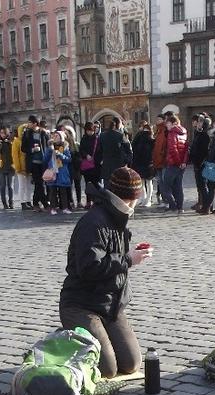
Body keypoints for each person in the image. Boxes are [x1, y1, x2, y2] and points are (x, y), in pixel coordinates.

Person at [59, 168, 150, 379]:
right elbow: (89, 267)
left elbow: (113, 258)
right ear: (129, 199)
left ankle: (97, 336)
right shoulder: (93, 222)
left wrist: (130, 255)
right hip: (81, 304)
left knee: (131, 363)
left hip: (110, 304)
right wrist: (128, 259)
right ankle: (66, 339)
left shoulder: (118, 218)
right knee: (107, 369)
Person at [160, 114, 188, 212]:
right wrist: (183, 162)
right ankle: (180, 207)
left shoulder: (172, 133)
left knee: (165, 186)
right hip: (181, 165)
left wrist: (178, 162)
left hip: (173, 164)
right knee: (178, 186)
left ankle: (173, 205)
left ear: (174, 123)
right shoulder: (184, 133)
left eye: (168, 124)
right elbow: (185, 149)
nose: (167, 126)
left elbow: (173, 149)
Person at [23, 117, 51, 211]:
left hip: (43, 162)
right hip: (33, 162)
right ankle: (45, 204)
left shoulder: (43, 133)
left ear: (35, 123)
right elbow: (23, 148)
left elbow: (48, 145)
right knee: (39, 183)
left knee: (39, 184)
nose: (28, 124)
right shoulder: (27, 134)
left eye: (30, 122)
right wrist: (32, 150)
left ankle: (35, 204)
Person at [98, 116, 133, 186]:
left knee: (107, 189)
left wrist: (101, 160)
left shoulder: (102, 136)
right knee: (118, 188)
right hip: (119, 167)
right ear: (117, 125)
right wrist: (126, 161)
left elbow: (99, 151)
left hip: (107, 167)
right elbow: (129, 151)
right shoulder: (120, 136)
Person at [45, 130, 74, 215]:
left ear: (61, 137)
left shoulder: (65, 147)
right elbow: (45, 159)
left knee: (63, 191)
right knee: (52, 191)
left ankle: (65, 207)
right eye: (54, 136)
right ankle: (53, 208)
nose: (55, 137)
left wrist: (60, 155)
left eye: (57, 136)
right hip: (53, 170)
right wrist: (49, 151)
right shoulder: (50, 147)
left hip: (62, 171)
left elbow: (69, 159)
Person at [188, 114, 212, 211]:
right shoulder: (199, 133)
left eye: (200, 122)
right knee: (200, 186)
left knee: (203, 186)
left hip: (201, 164)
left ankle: (206, 206)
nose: (198, 123)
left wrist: (199, 163)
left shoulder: (205, 135)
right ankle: (205, 205)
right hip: (197, 163)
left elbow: (203, 151)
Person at [132, 120, 156, 207]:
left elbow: (133, 148)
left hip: (140, 163)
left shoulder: (138, 137)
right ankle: (147, 199)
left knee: (142, 182)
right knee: (149, 183)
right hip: (149, 163)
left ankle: (145, 198)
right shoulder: (152, 139)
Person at [78, 121, 102, 209]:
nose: (89, 132)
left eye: (91, 130)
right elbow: (81, 150)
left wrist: (96, 159)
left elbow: (100, 151)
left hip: (96, 166)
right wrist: (86, 155)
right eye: (88, 131)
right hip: (86, 166)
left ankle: (98, 200)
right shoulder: (84, 138)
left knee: (96, 184)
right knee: (88, 184)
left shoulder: (97, 138)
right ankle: (88, 201)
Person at [0, 127, 15, 210]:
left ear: (7, 133)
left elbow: (14, 152)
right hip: (0, 167)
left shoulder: (11, 141)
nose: (2, 134)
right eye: (1, 133)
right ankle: (4, 203)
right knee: (2, 186)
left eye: (3, 133)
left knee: (10, 186)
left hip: (11, 167)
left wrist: (9, 143)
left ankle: (11, 202)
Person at [11, 127, 32, 209]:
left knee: (28, 185)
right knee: (22, 185)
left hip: (28, 166)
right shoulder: (16, 141)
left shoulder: (28, 140)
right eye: (22, 131)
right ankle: (22, 202)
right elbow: (15, 156)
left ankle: (28, 201)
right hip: (21, 167)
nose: (24, 132)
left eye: (25, 131)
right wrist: (18, 167)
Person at [151, 113, 169, 204]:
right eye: (157, 119)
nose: (157, 121)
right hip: (157, 160)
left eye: (159, 119)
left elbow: (165, 146)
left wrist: (163, 155)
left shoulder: (165, 130)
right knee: (160, 182)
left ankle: (167, 201)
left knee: (164, 182)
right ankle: (164, 200)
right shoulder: (157, 130)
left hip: (163, 160)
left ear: (163, 120)